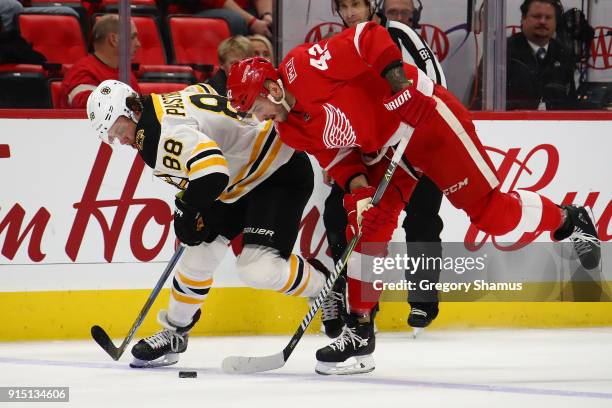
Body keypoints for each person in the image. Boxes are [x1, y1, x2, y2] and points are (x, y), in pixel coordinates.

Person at [226, 22, 601, 375]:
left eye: (259, 109)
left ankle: (568, 220)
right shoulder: (289, 129)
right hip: (385, 150)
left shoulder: (305, 65)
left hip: (424, 118)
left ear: (272, 90)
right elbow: (338, 156)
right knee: (366, 224)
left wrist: (400, 86)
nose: (262, 119)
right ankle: (359, 329)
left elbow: (368, 37)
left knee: (491, 214)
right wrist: (359, 192)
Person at [85, 80, 341, 368]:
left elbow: (212, 175)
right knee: (197, 251)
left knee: (257, 269)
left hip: (277, 173)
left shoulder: (158, 133)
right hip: (237, 180)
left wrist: (185, 208)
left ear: (131, 110)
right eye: (112, 137)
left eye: (119, 131)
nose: (121, 141)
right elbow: (203, 90)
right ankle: (175, 331)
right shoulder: (158, 103)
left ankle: (324, 287)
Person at [324, 0, 446, 337]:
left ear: (371, 5)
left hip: (418, 142)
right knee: (340, 214)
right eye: (343, 7)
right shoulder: (339, 47)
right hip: (371, 150)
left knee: (423, 218)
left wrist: (417, 126)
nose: (349, 13)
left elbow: (435, 81)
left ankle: (423, 298)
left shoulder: (400, 34)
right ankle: (357, 301)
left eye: (355, 5)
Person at [59, 14, 141, 108]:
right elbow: (90, 107)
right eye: (132, 37)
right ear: (114, 39)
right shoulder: (83, 72)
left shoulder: (126, 73)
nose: (138, 44)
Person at [507, 0, 576, 110]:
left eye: (548, 17)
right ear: (523, 19)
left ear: (556, 23)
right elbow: (483, 103)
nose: (543, 21)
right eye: (536, 16)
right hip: (513, 125)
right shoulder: (503, 53)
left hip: (556, 126)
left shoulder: (563, 55)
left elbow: (572, 104)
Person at [197, 0, 273, 38]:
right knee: (236, 21)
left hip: (245, 8)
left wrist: (266, 15)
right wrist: (252, 22)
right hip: (208, 8)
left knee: (277, 20)